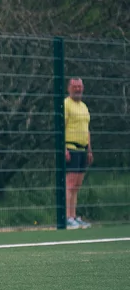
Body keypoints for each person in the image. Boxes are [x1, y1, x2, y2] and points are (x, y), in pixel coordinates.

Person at [65, 77, 93, 229]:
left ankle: (74, 216)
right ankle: (67, 217)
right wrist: (64, 148)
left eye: (80, 86)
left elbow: (87, 129)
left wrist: (89, 149)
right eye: (75, 86)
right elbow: (61, 127)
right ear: (69, 88)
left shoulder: (84, 106)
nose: (78, 89)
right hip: (71, 148)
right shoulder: (66, 104)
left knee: (77, 185)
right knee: (70, 184)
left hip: (83, 149)